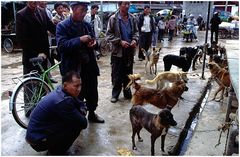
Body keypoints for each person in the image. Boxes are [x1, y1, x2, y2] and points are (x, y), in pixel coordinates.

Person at [56, 1, 104, 123]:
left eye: (85, 10)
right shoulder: (62, 26)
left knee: (92, 91)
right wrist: (80, 40)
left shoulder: (87, 25)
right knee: (74, 94)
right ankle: (75, 118)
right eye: (81, 10)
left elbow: (94, 40)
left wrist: (94, 44)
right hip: (73, 68)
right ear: (73, 9)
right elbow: (62, 46)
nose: (84, 13)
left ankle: (92, 113)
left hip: (88, 65)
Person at [26, 71, 88, 155]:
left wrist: (80, 109)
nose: (79, 89)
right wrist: (81, 111)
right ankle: (56, 152)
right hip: (37, 141)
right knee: (76, 125)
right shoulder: (63, 101)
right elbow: (83, 123)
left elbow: (80, 103)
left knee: (72, 119)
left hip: (34, 136)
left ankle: (55, 146)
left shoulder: (61, 89)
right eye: (76, 86)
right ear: (65, 85)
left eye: (80, 85)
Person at [106, 1, 139, 103]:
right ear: (119, 5)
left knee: (129, 73)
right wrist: (120, 42)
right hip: (118, 51)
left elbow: (136, 32)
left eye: (128, 4)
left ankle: (127, 92)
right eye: (125, 4)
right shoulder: (113, 19)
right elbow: (108, 35)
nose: (127, 6)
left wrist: (134, 40)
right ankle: (115, 94)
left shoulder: (132, 18)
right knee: (117, 73)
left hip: (129, 50)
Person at [16, 2, 56, 76]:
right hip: (31, 56)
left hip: (44, 54)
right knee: (32, 82)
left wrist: (62, 35)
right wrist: (36, 54)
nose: (34, 1)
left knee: (44, 81)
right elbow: (21, 39)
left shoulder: (42, 11)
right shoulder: (21, 14)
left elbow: (51, 27)